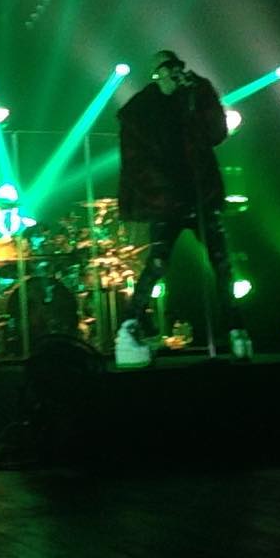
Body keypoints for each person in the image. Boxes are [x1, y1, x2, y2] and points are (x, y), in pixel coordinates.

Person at [114, 49, 252, 366]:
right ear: (156, 74)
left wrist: (202, 92)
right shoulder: (139, 111)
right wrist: (161, 193)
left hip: (199, 195)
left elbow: (217, 133)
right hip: (166, 200)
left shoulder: (192, 98)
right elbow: (135, 163)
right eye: (165, 69)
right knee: (158, 264)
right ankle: (128, 326)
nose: (172, 74)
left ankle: (236, 329)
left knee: (222, 263)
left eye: (176, 68)